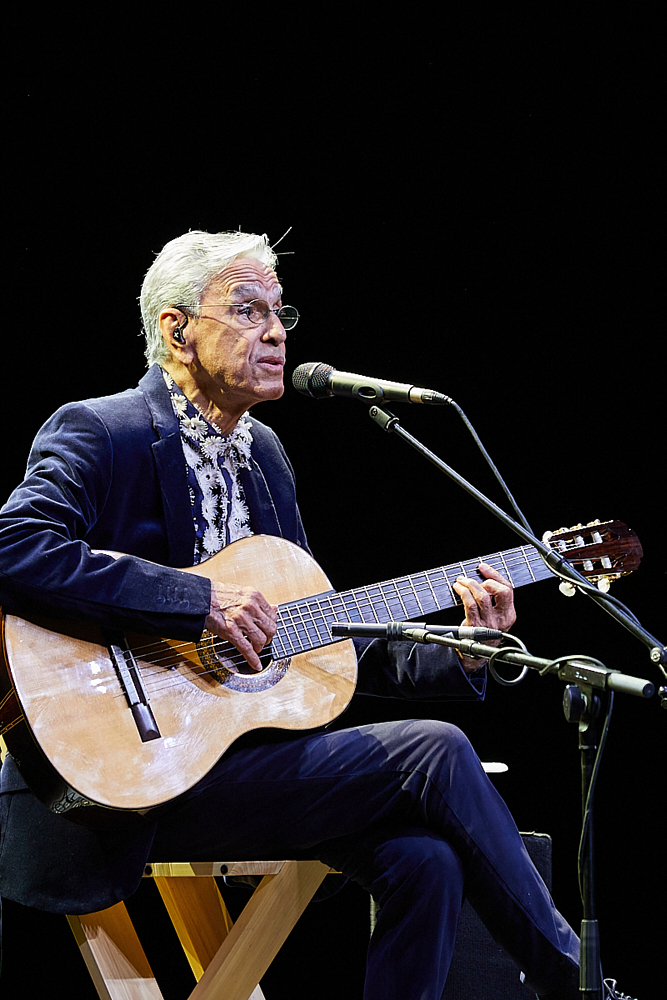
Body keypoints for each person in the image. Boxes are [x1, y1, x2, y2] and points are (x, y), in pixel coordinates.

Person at [0, 230, 628, 1000]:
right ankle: (582, 987)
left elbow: (316, 639)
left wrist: (462, 649)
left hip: (234, 769)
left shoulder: (266, 456)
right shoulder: (102, 429)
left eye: (280, 310)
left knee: (423, 860)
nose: (277, 331)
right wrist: (197, 599)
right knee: (432, 750)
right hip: (119, 782)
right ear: (175, 329)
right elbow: (16, 548)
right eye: (248, 309)